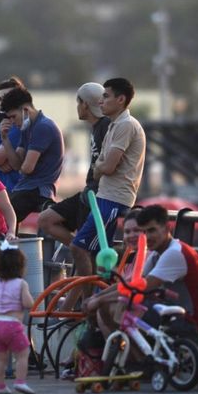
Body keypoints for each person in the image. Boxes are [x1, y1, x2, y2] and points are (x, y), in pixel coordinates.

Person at [90, 206, 198, 343]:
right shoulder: (157, 252)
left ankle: (134, 359)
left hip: (191, 325)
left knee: (119, 309)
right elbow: (132, 281)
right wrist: (97, 297)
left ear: (167, 229)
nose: (147, 237)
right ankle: (133, 360)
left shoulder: (174, 253)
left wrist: (100, 300)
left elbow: (142, 286)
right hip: (173, 314)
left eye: (152, 230)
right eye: (144, 232)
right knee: (111, 307)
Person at [70, 78, 146, 277]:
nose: (100, 101)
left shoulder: (126, 125)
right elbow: (99, 166)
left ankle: (91, 302)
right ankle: (97, 300)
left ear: (121, 99)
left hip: (114, 198)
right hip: (105, 196)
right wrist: (100, 167)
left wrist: (100, 167)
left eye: (106, 96)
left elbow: (108, 166)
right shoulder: (113, 125)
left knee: (79, 248)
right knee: (98, 255)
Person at [38, 83, 110, 246]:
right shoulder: (95, 127)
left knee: (89, 253)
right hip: (87, 193)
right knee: (46, 220)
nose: (77, 107)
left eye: (78, 102)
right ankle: (78, 249)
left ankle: (80, 251)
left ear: (85, 104)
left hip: (97, 197)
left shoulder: (105, 126)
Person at [0, 86, 65, 224]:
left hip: (38, 190)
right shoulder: (27, 127)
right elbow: (16, 165)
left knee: (1, 217)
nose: (12, 122)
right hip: (26, 187)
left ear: (25, 110)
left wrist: (23, 166)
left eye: (13, 117)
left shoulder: (42, 127)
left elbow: (27, 168)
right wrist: (5, 139)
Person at [0, 242, 35, 394]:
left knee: (0, 358)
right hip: (13, 325)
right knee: (23, 353)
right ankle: (20, 381)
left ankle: (0, 386)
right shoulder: (21, 284)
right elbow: (28, 303)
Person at [0, 77, 25, 192]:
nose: (3, 102)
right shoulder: (6, 123)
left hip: (13, 192)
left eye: (8, 97)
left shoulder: (20, 126)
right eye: (0, 98)